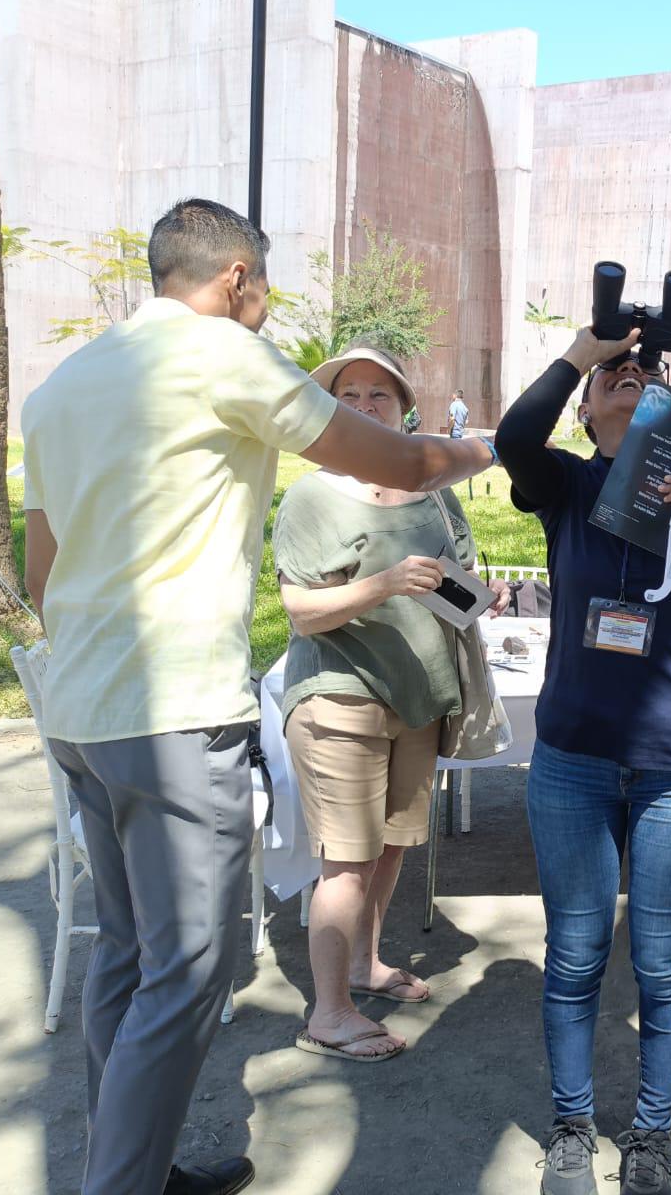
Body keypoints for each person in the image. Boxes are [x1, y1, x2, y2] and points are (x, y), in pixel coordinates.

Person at [21, 198, 496, 1195]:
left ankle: (133, 1167)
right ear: (236, 279)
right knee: (191, 974)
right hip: (173, 713)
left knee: (126, 955)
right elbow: (403, 462)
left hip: (80, 713)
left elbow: (39, 576)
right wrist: (485, 449)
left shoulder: (60, 388)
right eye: (264, 288)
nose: (266, 307)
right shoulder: (222, 354)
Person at [495, 328, 671, 1195]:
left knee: (663, 963)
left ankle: (652, 1134)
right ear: (586, 413)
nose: (630, 375)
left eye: (645, 369)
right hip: (575, 759)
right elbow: (513, 439)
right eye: (610, 377)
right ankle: (574, 1126)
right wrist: (584, 349)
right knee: (576, 955)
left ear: (670, 402)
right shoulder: (569, 485)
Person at [274, 342, 508, 1064]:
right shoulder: (314, 495)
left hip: (422, 696)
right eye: (351, 394)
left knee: (392, 845)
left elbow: (457, 578)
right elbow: (301, 611)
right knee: (345, 860)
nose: (366, 406)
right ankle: (330, 1013)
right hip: (340, 700)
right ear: (330, 409)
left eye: (381, 395)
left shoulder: (432, 489)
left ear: (404, 408)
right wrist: (382, 585)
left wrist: (480, 595)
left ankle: (365, 966)